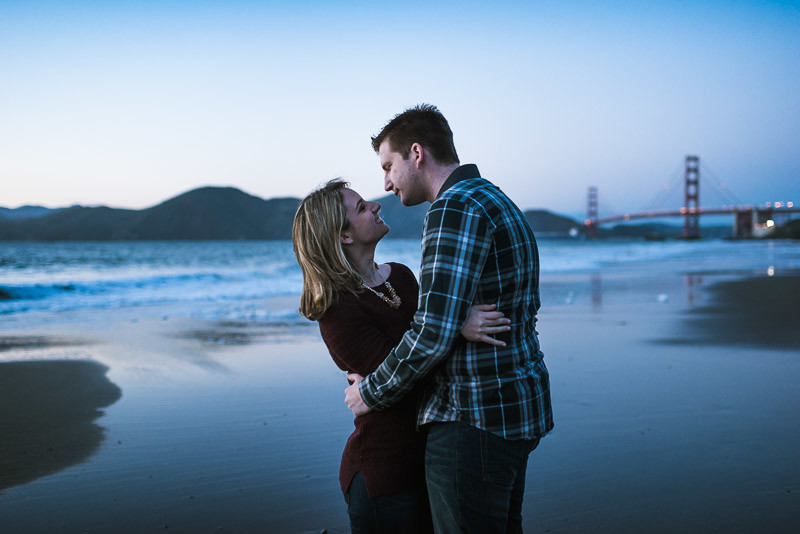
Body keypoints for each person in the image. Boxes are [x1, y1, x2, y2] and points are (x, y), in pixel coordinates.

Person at [344, 104, 554, 534]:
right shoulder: (496, 198)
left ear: (415, 154)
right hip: (517, 405)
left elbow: (430, 334)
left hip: (473, 416)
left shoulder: (452, 209)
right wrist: (455, 319)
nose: (385, 182)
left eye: (388, 165)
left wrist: (371, 393)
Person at [292, 178, 512, 534]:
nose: (377, 205)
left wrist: (449, 324)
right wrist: (456, 326)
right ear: (344, 236)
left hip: (433, 462)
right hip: (386, 472)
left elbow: (422, 346)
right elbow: (407, 375)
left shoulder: (403, 276)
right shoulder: (336, 310)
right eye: (362, 207)